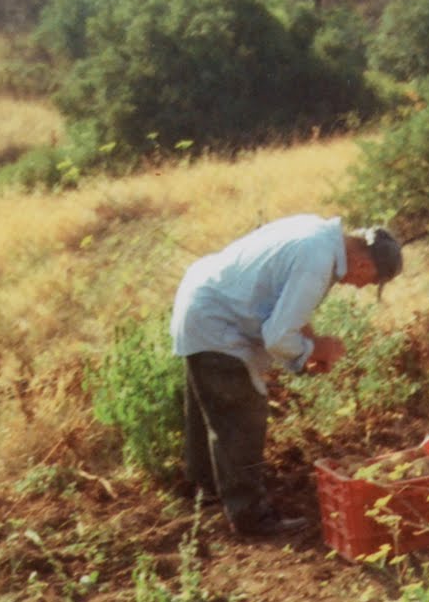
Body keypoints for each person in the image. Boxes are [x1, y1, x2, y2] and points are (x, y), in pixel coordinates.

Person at [170, 215, 403, 537]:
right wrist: (317, 349)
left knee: (211, 407)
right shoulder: (318, 261)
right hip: (218, 321)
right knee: (242, 413)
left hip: (203, 303)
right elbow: (278, 336)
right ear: (363, 264)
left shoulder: (319, 236)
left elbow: (288, 310)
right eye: (369, 280)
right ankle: (251, 518)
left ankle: (205, 492)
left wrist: (307, 351)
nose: (360, 286)